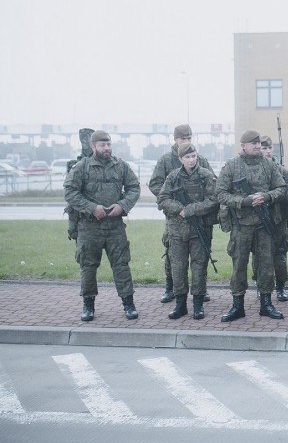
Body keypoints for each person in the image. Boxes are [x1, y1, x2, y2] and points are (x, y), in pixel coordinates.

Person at [64, 130, 141, 321]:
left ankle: (128, 304)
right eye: (102, 145)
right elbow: (70, 192)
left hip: (115, 226)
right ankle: (88, 306)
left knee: (121, 265)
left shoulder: (120, 166)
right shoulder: (82, 167)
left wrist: (122, 206)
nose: (106, 148)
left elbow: (134, 188)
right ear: (93, 147)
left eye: (108, 144)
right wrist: (92, 208)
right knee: (88, 267)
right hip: (90, 227)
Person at [216, 129, 288, 322]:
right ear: (243, 146)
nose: (257, 146)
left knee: (266, 265)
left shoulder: (269, 165)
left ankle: (266, 304)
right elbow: (220, 193)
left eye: (259, 143)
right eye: (253, 143)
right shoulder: (232, 166)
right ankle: (237, 305)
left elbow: (282, 189)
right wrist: (245, 201)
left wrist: (266, 196)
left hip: (264, 226)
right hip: (241, 226)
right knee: (239, 266)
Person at [148, 124, 213, 304]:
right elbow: (155, 185)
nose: (186, 141)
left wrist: (195, 208)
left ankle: (200, 290)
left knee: (201, 255)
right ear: (175, 139)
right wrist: (174, 204)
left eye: (189, 139)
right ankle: (171, 288)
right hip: (175, 217)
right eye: (183, 139)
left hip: (198, 217)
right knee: (173, 254)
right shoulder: (166, 160)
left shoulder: (202, 161)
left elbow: (212, 188)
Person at [156, 143, 218, 320]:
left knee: (199, 267)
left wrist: (191, 210)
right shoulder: (173, 177)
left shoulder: (206, 175)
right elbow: (162, 198)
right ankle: (180, 305)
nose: (191, 160)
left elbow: (214, 199)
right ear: (180, 159)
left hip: (200, 230)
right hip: (177, 230)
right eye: (188, 157)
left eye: (194, 156)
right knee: (178, 267)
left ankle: (198, 305)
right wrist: (179, 209)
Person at [260, 135, 288, 302]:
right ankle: (262, 286)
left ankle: (281, 287)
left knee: (280, 254)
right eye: (263, 148)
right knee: (260, 256)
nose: (267, 151)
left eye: (269, 148)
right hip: (259, 221)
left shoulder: (282, 171)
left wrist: (277, 196)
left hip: (279, 220)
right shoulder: (255, 172)